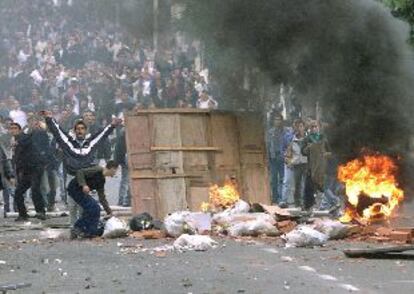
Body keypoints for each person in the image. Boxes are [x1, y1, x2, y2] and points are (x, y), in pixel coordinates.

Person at [69, 160, 119, 238]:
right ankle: (77, 228)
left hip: (82, 192)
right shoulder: (97, 170)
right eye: (116, 170)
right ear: (112, 168)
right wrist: (84, 185)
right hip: (75, 188)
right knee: (93, 207)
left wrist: (109, 212)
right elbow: (80, 172)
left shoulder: (102, 180)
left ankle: (89, 230)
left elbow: (102, 197)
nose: (115, 173)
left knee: (95, 208)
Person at [9, 122, 47, 221]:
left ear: (19, 130)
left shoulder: (24, 137)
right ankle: (23, 214)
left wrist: (17, 142)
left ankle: (41, 212)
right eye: (11, 128)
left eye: (15, 128)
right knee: (18, 192)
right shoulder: (14, 142)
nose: (13, 130)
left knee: (35, 189)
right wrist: (15, 176)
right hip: (26, 171)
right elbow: (16, 160)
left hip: (35, 168)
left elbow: (27, 138)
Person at [281, 119, 307, 209]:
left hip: (306, 164)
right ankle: (298, 203)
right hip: (296, 164)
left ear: (304, 127)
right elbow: (287, 152)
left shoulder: (308, 139)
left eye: (301, 126)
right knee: (297, 185)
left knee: (306, 185)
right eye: (297, 126)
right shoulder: (292, 140)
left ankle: (306, 202)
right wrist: (288, 161)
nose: (299, 129)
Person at [266, 113, 285, 203]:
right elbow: (268, 145)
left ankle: (281, 198)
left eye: (279, 119)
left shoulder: (284, 131)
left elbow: (287, 144)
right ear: (273, 121)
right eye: (275, 119)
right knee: (274, 179)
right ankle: (275, 198)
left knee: (282, 178)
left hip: (282, 157)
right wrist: (267, 157)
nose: (277, 121)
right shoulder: (270, 132)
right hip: (273, 157)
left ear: (281, 121)